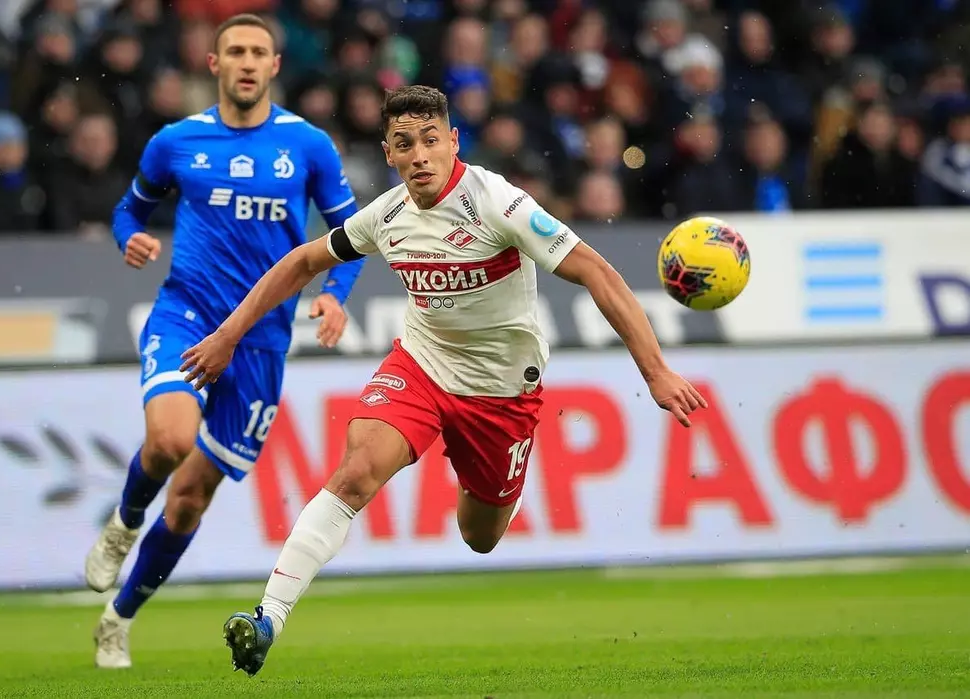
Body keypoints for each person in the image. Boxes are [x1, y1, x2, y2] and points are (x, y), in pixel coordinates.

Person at [179, 84, 706, 677]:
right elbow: (304, 261)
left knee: (479, 536)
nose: (420, 155)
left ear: (453, 141)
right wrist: (228, 336)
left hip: (500, 394)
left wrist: (656, 371)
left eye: (431, 140)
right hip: (422, 366)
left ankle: (489, 479)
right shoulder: (387, 216)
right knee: (356, 471)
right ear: (389, 153)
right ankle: (268, 618)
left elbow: (596, 271)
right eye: (405, 144)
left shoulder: (498, 203)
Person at [85, 13, 366, 670]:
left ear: (274, 66)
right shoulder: (176, 141)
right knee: (169, 442)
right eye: (234, 50)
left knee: (190, 499)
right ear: (213, 64)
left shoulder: (308, 145)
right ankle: (125, 521)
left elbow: (350, 234)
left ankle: (118, 618)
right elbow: (129, 208)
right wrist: (129, 236)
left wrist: (335, 294)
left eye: (258, 52)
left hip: (262, 343)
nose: (246, 61)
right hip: (188, 314)